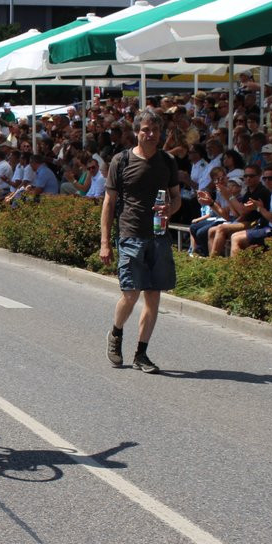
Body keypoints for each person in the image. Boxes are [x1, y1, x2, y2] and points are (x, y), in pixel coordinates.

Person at [100, 111, 181, 374]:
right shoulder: (121, 161)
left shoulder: (167, 161)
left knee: (153, 296)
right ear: (137, 131)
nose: (150, 134)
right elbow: (109, 203)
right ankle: (116, 332)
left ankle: (141, 353)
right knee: (130, 294)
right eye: (146, 129)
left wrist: (170, 210)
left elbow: (176, 198)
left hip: (158, 236)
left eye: (155, 130)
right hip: (130, 233)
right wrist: (105, 241)